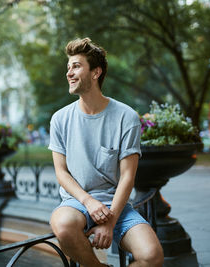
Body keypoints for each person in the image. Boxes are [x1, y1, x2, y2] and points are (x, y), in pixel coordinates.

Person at [49, 38, 163, 267]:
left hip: (116, 206)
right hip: (77, 203)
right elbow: (61, 173)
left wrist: (109, 223)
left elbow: (128, 177)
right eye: (68, 67)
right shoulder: (60, 119)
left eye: (76, 66)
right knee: (63, 225)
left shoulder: (126, 116)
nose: (69, 73)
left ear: (95, 72)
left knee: (153, 257)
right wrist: (88, 202)